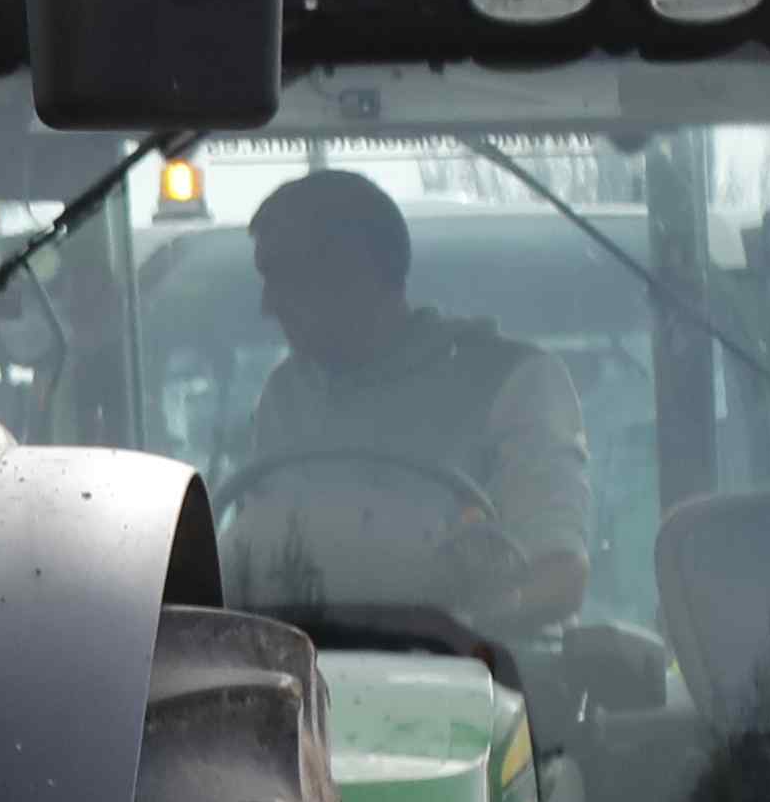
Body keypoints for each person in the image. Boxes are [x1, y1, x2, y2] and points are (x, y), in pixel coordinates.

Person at [227, 170, 595, 627]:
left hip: (476, 686)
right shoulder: (286, 395)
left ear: (359, 270)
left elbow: (559, 577)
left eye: (285, 276)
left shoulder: (515, 382)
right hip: (301, 680)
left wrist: (456, 628)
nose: (269, 305)